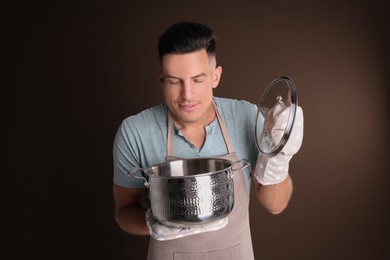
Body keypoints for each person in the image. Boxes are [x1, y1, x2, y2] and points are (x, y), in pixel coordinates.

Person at [112, 21, 304, 259]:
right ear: (161, 79)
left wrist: (278, 157)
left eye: (198, 80)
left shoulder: (246, 117)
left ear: (215, 76)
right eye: (175, 81)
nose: (187, 95)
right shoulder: (135, 131)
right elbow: (123, 210)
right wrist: (150, 223)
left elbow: (276, 205)